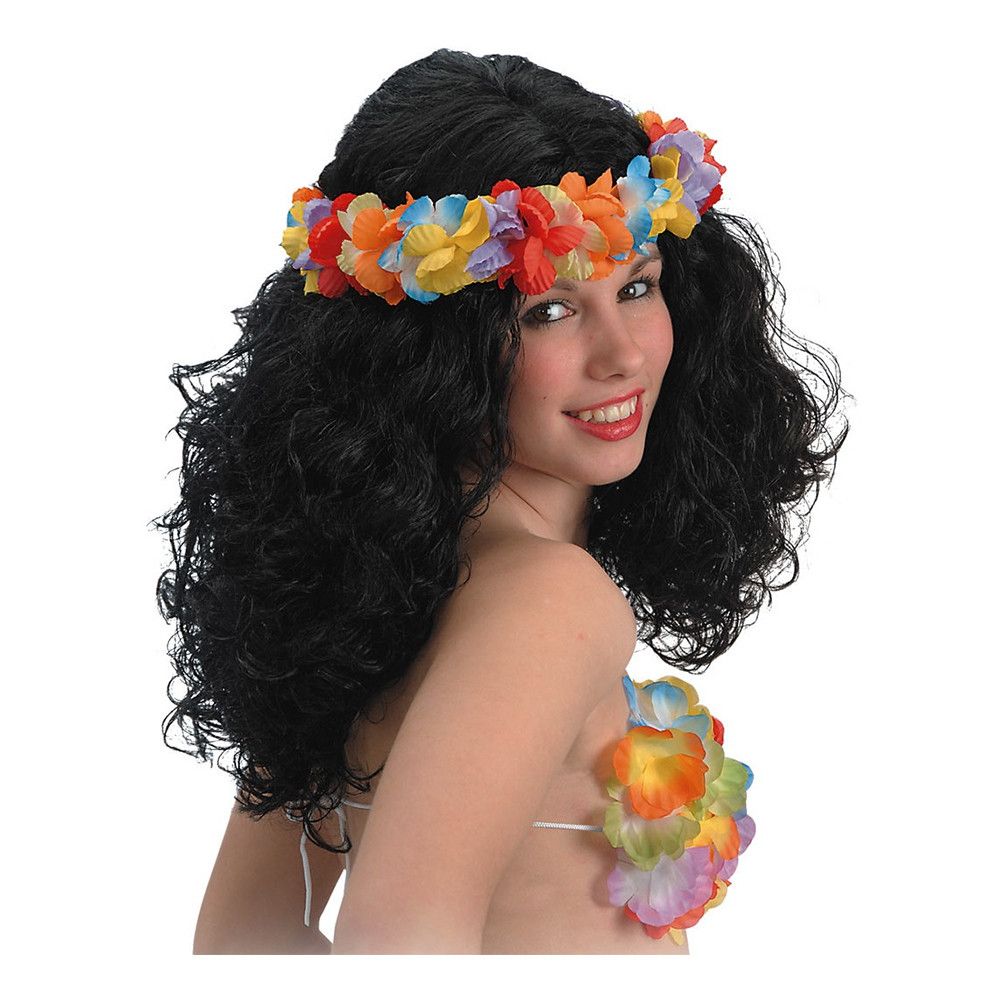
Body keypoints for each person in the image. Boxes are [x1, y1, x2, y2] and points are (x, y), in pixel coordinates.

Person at [155, 48, 848, 954]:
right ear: (430, 350)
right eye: (548, 311)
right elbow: (396, 946)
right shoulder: (548, 600)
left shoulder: (368, 589)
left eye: (638, 286)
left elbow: (244, 933)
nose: (624, 355)